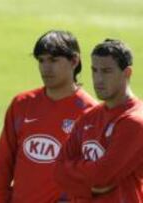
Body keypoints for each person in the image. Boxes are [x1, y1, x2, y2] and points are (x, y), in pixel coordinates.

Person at [0, 30, 97, 203]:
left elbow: (95, 179)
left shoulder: (91, 114)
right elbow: (2, 166)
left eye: (53, 60)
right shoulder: (22, 104)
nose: (46, 68)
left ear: (74, 61)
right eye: (41, 60)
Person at [54, 39, 143, 202]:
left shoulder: (135, 121)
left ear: (127, 73)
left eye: (107, 71)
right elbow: (58, 171)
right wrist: (91, 180)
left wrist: (76, 173)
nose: (98, 79)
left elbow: (102, 177)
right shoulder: (88, 117)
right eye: (94, 70)